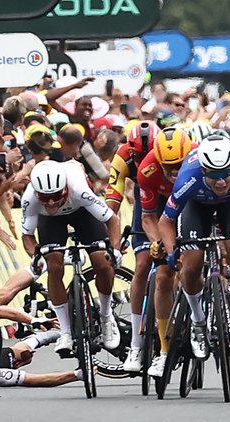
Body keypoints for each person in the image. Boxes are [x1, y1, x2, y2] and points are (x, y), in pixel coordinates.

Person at [158, 136, 230, 361]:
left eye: (226, 173)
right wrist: (171, 249)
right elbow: (166, 220)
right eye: (214, 175)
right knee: (191, 265)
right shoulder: (188, 178)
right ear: (203, 170)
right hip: (196, 206)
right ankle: (198, 321)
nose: (221, 181)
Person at [21, 160, 122, 356]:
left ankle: (106, 316)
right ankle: (65, 332)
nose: (51, 202)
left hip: (82, 212)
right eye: (45, 197)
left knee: (102, 262)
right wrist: (36, 256)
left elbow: (112, 219)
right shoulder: (29, 198)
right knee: (54, 266)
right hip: (51, 221)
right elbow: (27, 236)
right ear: (36, 193)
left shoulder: (78, 189)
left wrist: (115, 250)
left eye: (56, 196)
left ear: (65, 188)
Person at [134, 127, 193, 375]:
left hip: (192, 201)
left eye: (179, 164)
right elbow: (148, 217)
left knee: (192, 261)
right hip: (160, 208)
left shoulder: (197, 163)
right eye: (168, 167)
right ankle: (164, 348)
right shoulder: (147, 171)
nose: (175, 172)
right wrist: (158, 242)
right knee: (162, 274)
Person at [106, 121, 163, 371]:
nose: (142, 159)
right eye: (137, 154)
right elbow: (112, 202)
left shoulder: (171, 155)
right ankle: (137, 346)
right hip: (147, 206)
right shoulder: (123, 157)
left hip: (173, 201)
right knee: (142, 265)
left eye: (147, 154)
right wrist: (112, 241)